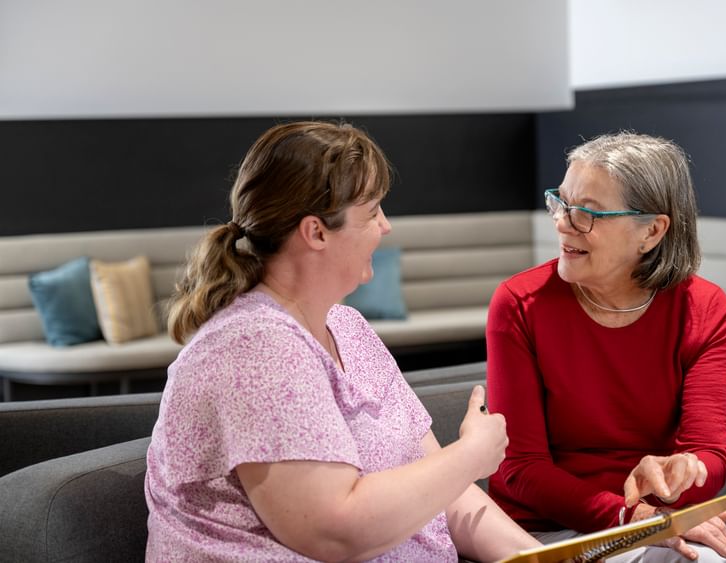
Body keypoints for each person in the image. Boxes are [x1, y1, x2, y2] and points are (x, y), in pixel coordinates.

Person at [144, 121, 543, 562]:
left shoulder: (348, 328)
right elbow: (334, 533)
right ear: (315, 232)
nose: (386, 227)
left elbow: (445, 491)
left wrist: (543, 557)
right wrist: (471, 454)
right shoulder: (251, 348)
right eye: (372, 213)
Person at [486, 132, 726, 562]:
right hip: (544, 528)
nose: (564, 223)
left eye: (588, 213)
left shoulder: (708, 310)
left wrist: (685, 473)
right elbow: (520, 468)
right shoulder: (519, 303)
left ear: (652, 232)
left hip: (652, 520)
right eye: (561, 203)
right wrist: (627, 514)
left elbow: (709, 453)